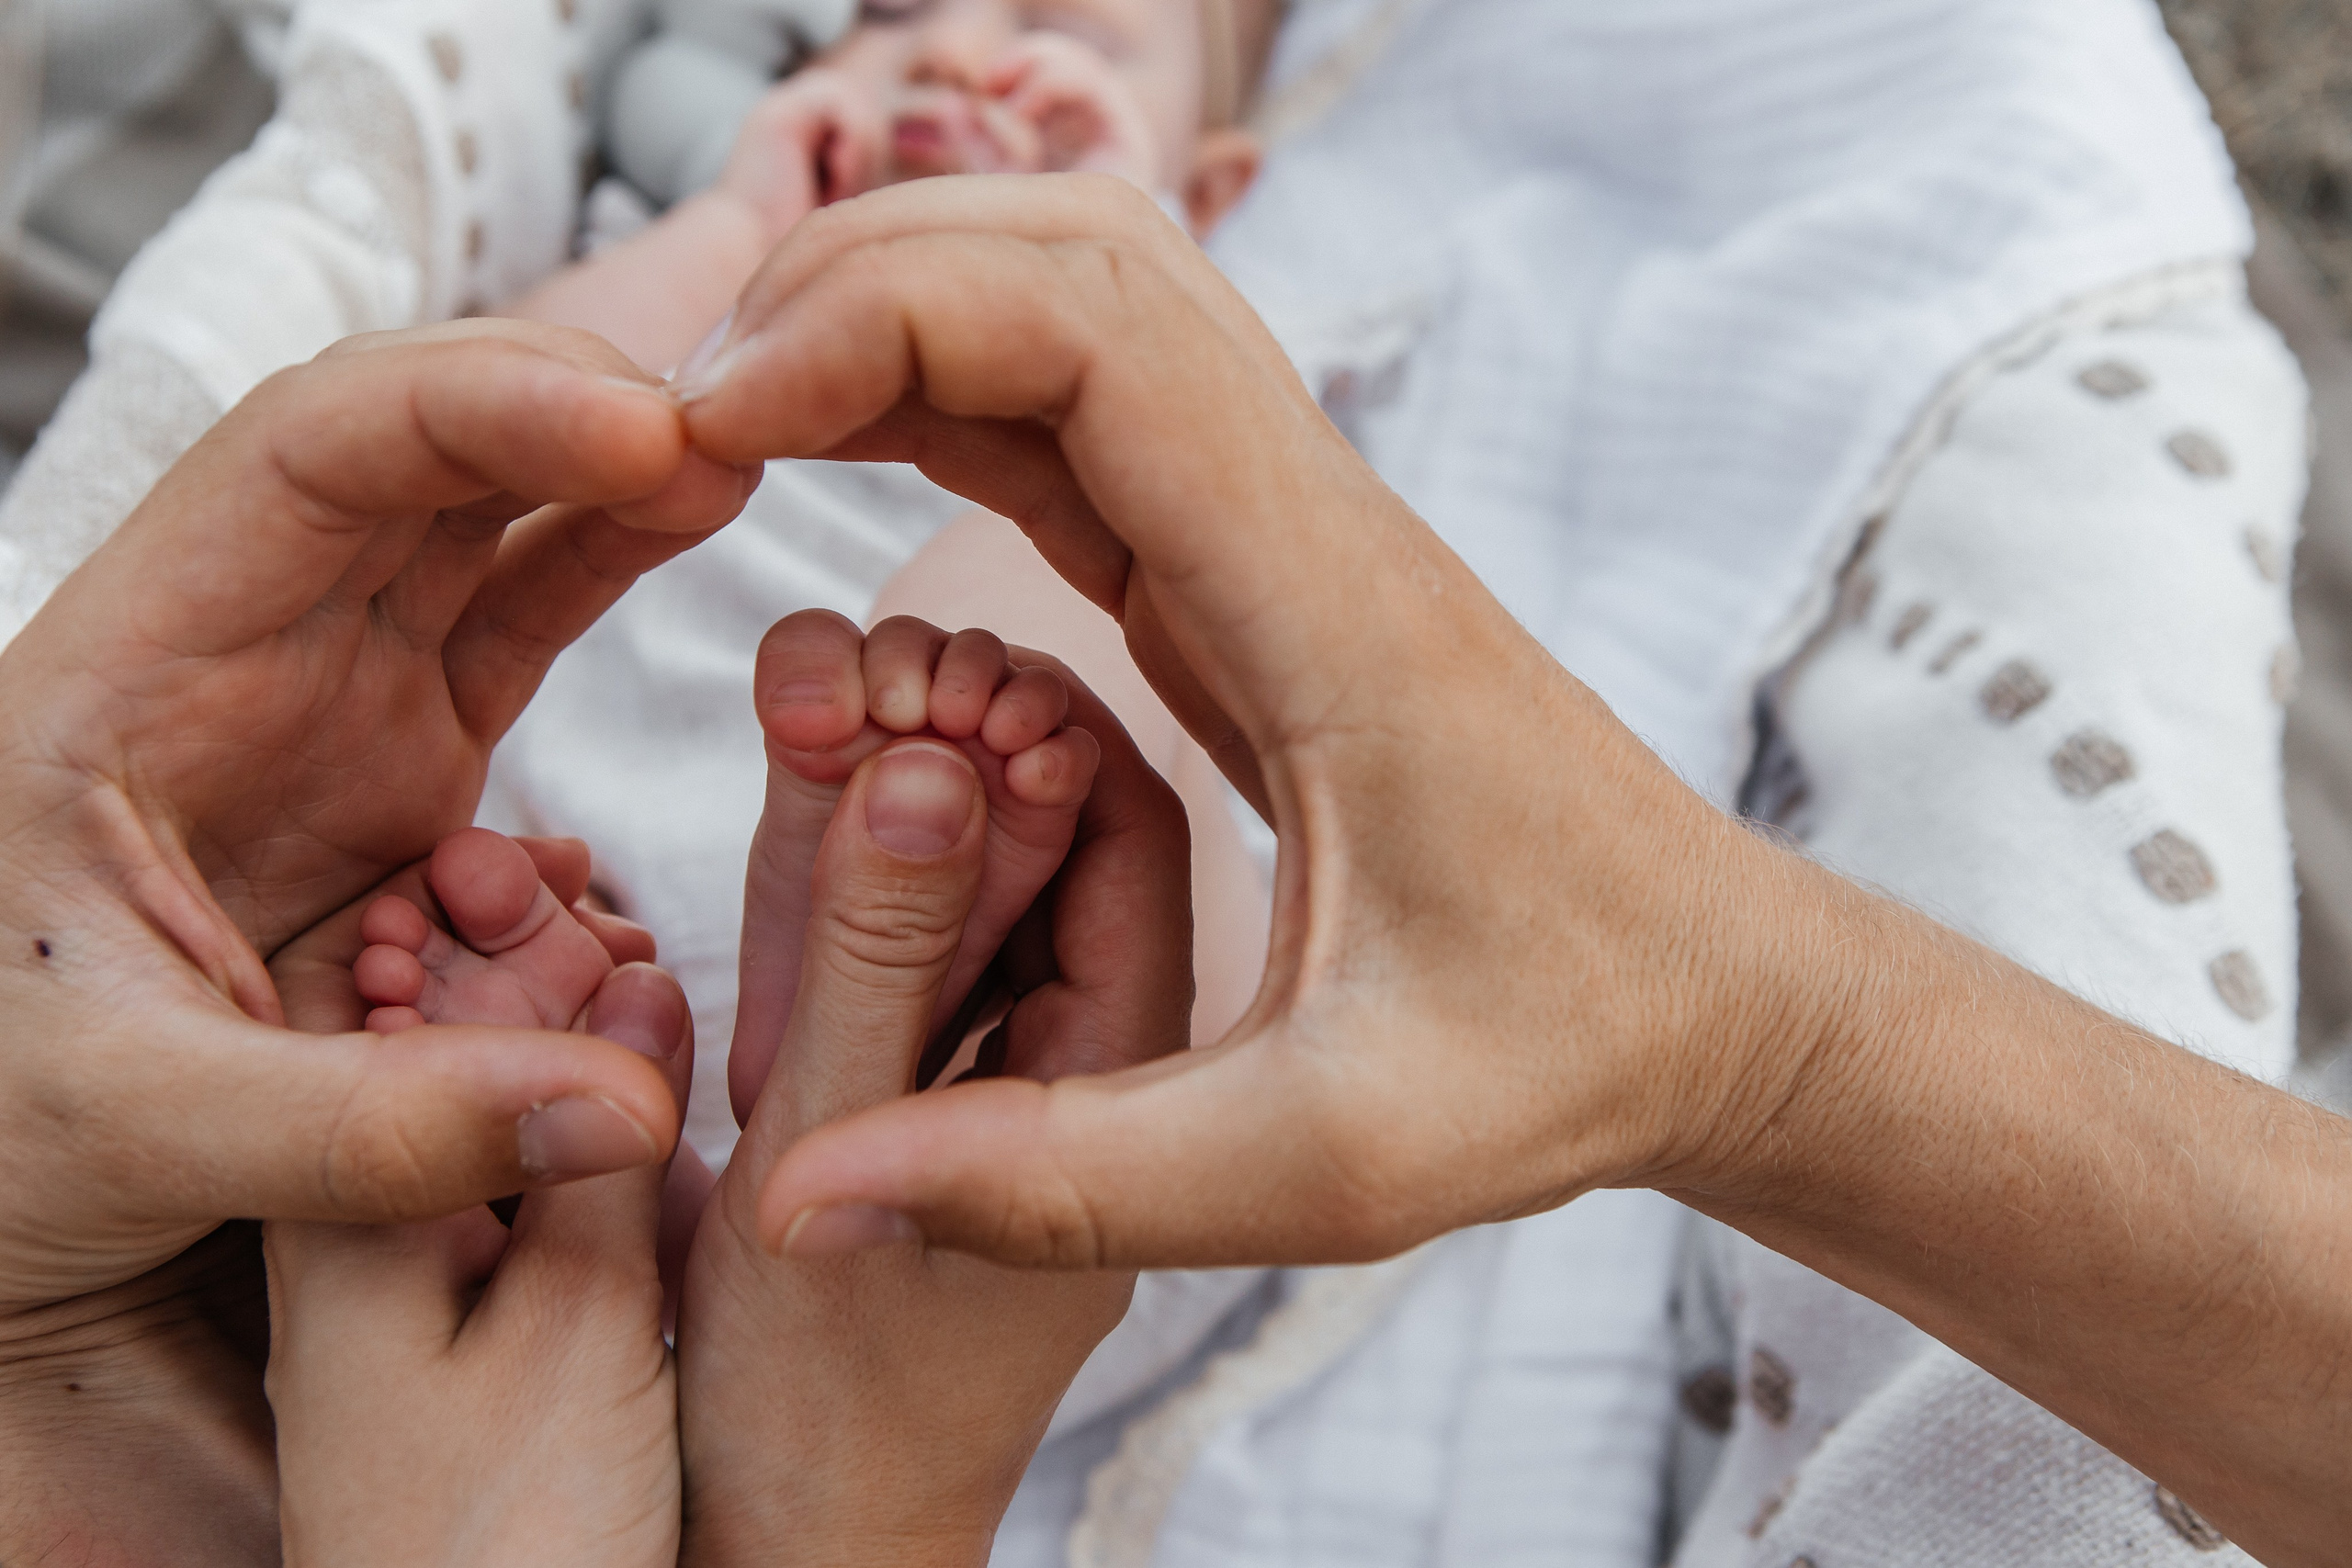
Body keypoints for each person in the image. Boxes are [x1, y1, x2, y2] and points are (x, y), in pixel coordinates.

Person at [672, 169, 2351, 1568]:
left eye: (1077, 42)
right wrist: (719, 215)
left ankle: (915, 963)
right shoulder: (729, 205)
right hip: (664, 856)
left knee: (1055, 676)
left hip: (812, 970)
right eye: (897, 14)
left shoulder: (1233, 338)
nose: (972, 56)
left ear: (1226, 172)